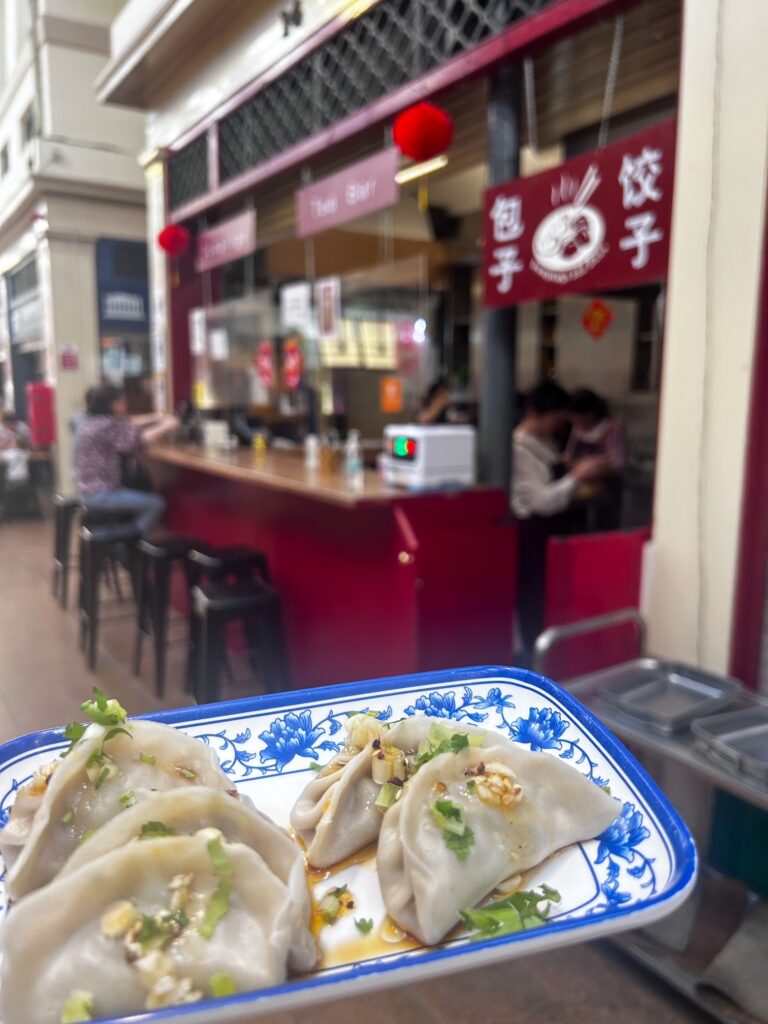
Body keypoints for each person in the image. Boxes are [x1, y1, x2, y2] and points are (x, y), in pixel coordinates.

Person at [512, 381, 610, 656]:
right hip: (533, 536)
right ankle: (533, 662)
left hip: (554, 536)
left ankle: (552, 657)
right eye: (555, 418)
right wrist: (577, 476)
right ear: (534, 413)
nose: (558, 425)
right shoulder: (518, 450)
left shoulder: (544, 444)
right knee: (534, 605)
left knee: (554, 602)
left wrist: (574, 470)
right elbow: (542, 501)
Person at [74, 384, 179, 537]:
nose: (125, 404)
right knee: (156, 504)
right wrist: (167, 426)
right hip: (102, 494)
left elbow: (127, 424)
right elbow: (139, 439)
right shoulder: (109, 425)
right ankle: (128, 541)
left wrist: (155, 417)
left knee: (141, 498)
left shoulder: (91, 421)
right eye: (122, 401)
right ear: (113, 404)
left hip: (85, 490)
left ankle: (123, 539)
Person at [564, 388, 627, 531]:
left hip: (606, 492)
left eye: (576, 416)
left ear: (589, 414)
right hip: (580, 490)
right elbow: (569, 454)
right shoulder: (577, 430)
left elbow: (619, 463)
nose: (574, 421)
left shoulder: (613, 429)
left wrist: (597, 466)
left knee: (603, 528)